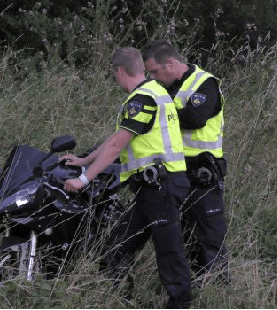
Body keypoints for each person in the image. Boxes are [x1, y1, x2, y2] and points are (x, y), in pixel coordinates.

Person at [60, 47, 192, 308]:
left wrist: (84, 179)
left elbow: (116, 146)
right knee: (117, 247)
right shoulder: (156, 92)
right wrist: (84, 160)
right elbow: (118, 136)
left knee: (169, 254)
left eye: (114, 74)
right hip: (150, 188)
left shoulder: (141, 99)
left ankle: (180, 304)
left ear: (120, 70)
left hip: (161, 187)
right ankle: (121, 300)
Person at [142, 40, 230, 286]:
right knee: (184, 237)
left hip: (203, 174)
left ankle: (217, 291)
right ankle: (191, 289)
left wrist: (160, 113)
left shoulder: (205, 83)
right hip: (175, 174)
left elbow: (195, 118)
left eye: (155, 71)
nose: (153, 77)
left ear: (170, 63)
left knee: (210, 237)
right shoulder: (164, 88)